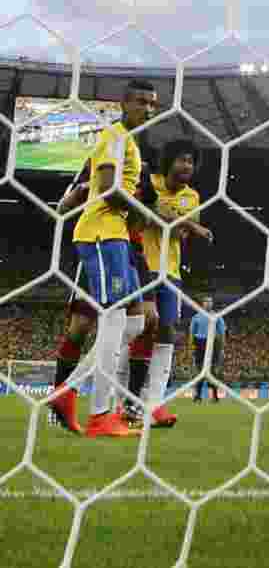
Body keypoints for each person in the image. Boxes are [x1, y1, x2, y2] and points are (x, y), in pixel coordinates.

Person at [47, 80, 158, 437]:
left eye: (152, 104)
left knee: (135, 323)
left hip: (118, 236)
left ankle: (69, 391)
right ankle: (100, 416)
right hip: (100, 232)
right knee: (111, 319)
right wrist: (149, 215)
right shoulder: (113, 134)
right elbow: (110, 190)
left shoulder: (130, 143)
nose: (148, 109)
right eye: (141, 102)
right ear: (124, 103)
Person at [120, 139, 210, 427]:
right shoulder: (149, 182)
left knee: (167, 331)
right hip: (140, 266)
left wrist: (166, 214)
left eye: (191, 162)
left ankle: (154, 404)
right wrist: (189, 224)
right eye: (182, 160)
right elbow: (138, 216)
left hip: (170, 272)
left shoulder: (192, 197)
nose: (187, 166)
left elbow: (178, 233)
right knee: (141, 329)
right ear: (169, 161)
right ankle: (125, 400)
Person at [191, 295, 226, 403]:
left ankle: (215, 396)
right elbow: (192, 333)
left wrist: (221, 348)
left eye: (210, 302)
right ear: (202, 304)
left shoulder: (217, 316)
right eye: (206, 302)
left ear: (212, 304)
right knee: (200, 370)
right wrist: (192, 347)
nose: (208, 303)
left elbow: (222, 333)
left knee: (213, 371)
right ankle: (198, 396)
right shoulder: (196, 317)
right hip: (200, 343)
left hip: (213, 343)